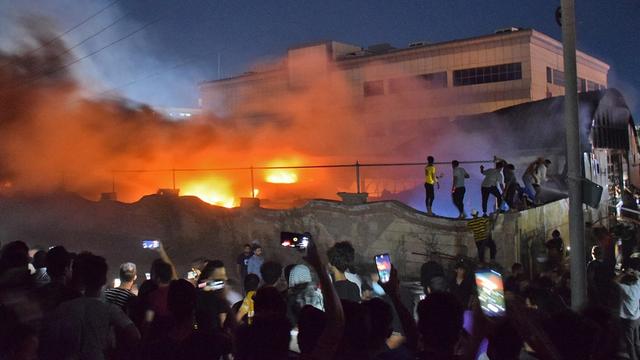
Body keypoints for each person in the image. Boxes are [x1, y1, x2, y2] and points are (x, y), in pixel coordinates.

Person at [39, 252, 140, 359]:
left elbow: (51, 337)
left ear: (81, 278)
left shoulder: (65, 307)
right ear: (104, 280)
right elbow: (134, 335)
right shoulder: (110, 309)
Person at [195, 260, 230, 334]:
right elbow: (201, 285)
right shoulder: (210, 291)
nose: (225, 278)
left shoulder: (204, 287)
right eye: (221, 275)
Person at [616, 260, 640, 360]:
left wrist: (624, 273)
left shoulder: (625, 288)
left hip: (627, 319)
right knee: (637, 341)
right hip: (637, 318)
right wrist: (634, 273)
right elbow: (638, 276)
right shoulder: (638, 286)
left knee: (630, 343)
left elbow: (614, 281)